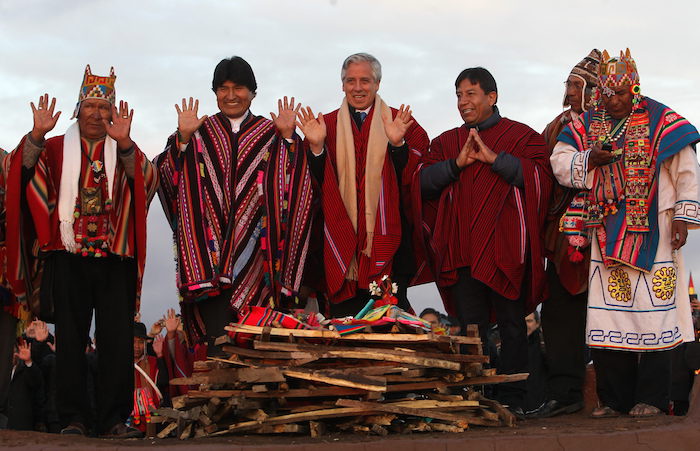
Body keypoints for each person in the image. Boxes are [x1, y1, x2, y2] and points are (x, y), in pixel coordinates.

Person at [3, 65, 158, 437]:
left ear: (114, 112)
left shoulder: (123, 146)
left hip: (113, 258)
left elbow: (146, 184)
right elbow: (18, 175)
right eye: (90, 106)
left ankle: (111, 419)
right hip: (68, 256)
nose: (97, 114)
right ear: (77, 108)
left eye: (104, 108)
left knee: (116, 340)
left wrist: (124, 146)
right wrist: (37, 137)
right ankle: (72, 418)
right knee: (70, 341)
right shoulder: (55, 148)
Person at [551, 49, 700, 417]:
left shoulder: (661, 118)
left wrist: (683, 216)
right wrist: (588, 159)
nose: (613, 100)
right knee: (609, 318)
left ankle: (651, 398)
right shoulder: (589, 122)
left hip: (658, 231)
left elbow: (686, 169)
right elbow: (559, 160)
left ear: (634, 88)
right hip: (605, 230)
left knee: (657, 313)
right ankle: (615, 400)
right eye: (607, 94)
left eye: (620, 93)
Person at [416, 67, 553, 417]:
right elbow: (422, 184)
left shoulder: (522, 136)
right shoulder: (446, 142)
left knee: (511, 324)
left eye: (471, 94)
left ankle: (516, 399)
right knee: (469, 327)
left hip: (506, 251)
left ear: (491, 97)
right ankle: (476, 396)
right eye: (459, 95)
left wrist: (496, 160)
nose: (463, 101)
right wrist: (457, 164)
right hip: (461, 248)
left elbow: (540, 178)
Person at [154, 56, 314, 351]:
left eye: (238, 88)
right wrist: (184, 140)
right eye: (223, 88)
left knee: (256, 346)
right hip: (209, 264)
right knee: (218, 346)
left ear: (253, 92)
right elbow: (165, 176)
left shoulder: (271, 132)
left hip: (260, 263)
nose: (230, 96)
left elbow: (299, 186)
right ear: (214, 92)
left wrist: (290, 140)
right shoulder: (200, 130)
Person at [297, 53, 429, 317]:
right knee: (343, 331)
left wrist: (397, 145)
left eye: (365, 80)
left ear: (378, 83)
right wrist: (316, 148)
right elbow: (313, 186)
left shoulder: (399, 122)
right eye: (350, 81)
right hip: (340, 247)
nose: (358, 88)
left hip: (389, 247)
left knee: (388, 329)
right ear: (342, 84)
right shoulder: (327, 125)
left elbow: (414, 181)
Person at [536, 49, 602, 418]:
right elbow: (544, 177)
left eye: (579, 85)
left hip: (611, 230)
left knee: (610, 310)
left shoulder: (616, 124)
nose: (571, 90)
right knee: (560, 310)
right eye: (570, 84)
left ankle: (614, 391)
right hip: (565, 234)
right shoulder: (556, 126)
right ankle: (564, 391)